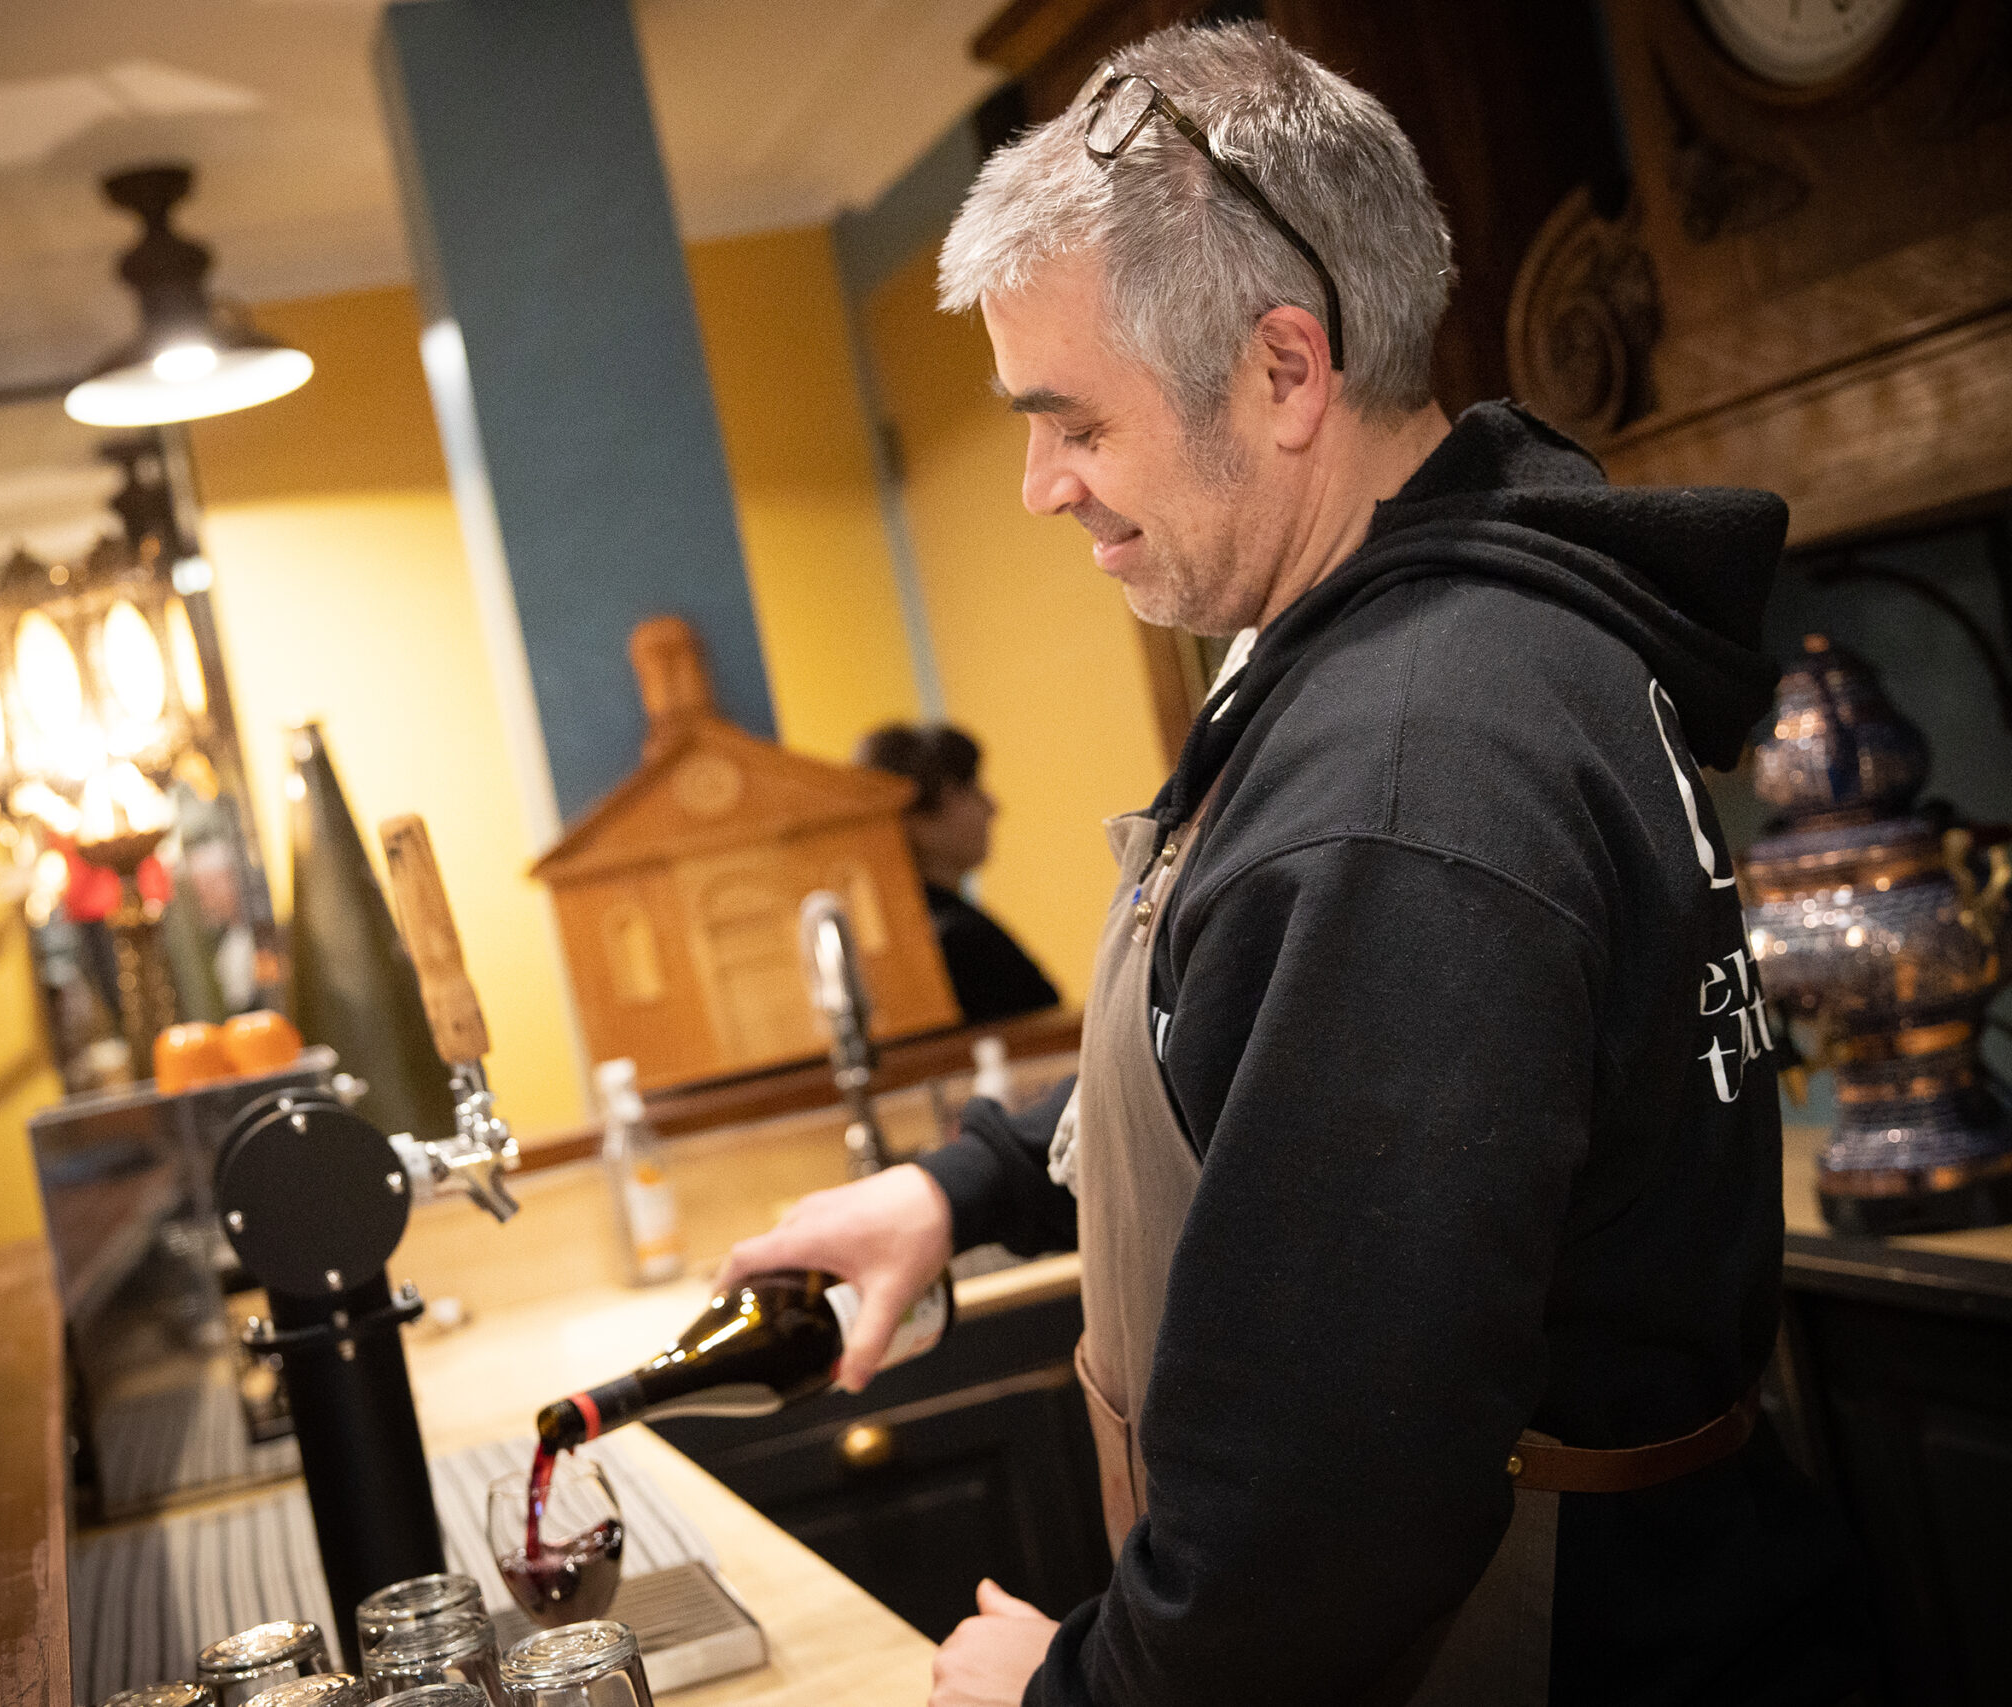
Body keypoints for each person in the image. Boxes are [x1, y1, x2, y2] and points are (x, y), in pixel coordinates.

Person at [719, 21, 1868, 1707]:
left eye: (1072, 421)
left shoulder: (1405, 773)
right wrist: (963, 1187)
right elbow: (1281, 1065)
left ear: (1283, 369)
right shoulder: (1423, 645)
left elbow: (1324, 1516)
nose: (1041, 486)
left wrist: (1063, 1692)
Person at [855, 722, 1061, 1024]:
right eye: (970, 789)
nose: (992, 807)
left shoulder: (893, 932)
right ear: (916, 811)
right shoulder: (956, 941)